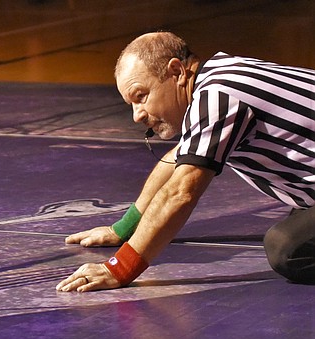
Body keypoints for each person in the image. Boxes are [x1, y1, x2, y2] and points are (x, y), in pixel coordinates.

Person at [58, 31, 315, 292]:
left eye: (141, 96)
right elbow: (175, 161)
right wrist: (123, 229)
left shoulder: (219, 97)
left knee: (287, 247)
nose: (136, 116)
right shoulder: (218, 79)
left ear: (177, 71)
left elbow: (181, 191)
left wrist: (119, 268)